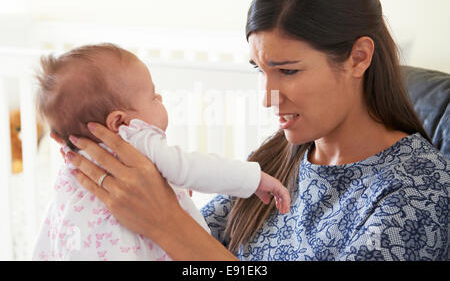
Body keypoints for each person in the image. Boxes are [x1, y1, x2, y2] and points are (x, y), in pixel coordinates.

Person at [62, 0, 448, 261]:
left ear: (358, 58)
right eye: (260, 71)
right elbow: (196, 246)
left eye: (288, 71)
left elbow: (185, 240)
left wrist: (165, 221)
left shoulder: (419, 194)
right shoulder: (276, 159)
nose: (268, 96)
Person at [32, 44, 290, 260]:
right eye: (154, 96)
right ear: (118, 122)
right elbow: (195, 169)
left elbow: (47, 238)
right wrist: (253, 179)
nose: (161, 100)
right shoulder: (134, 135)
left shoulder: (73, 165)